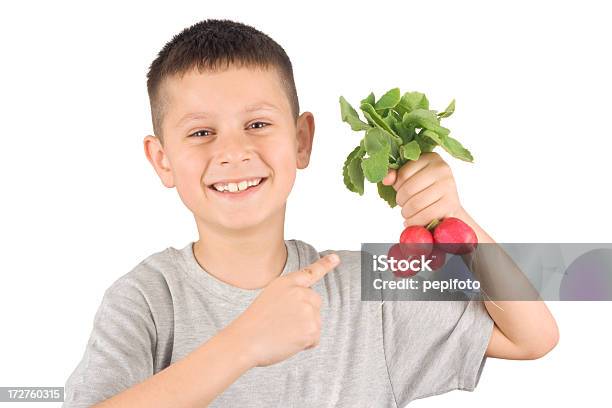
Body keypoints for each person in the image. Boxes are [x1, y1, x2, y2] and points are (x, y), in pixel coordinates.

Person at [62, 18, 559, 407]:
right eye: (200, 132)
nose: (233, 152)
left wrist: (454, 218)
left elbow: (532, 336)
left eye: (257, 123)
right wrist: (242, 344)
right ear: (162, 159)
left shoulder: (365, 285)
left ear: (302, 140)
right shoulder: (146, 299)